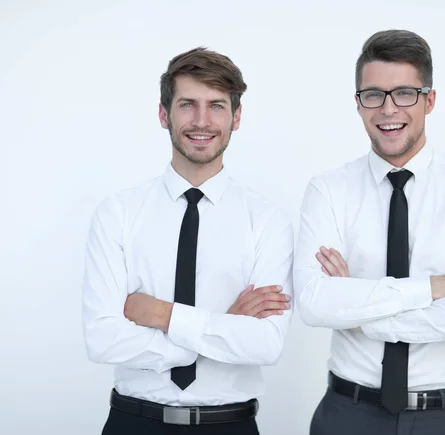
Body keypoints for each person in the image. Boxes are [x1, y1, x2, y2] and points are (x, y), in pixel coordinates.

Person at [294, 29, 445, 435]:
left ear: (429, 100)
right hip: (347, 414)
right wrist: (430, 288)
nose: (388, 109)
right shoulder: (328, 190)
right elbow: (315, 304)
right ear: (358, 104)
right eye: (373, 94)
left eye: (404, 93)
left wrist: (361, 314)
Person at [81, 47, 294, 435]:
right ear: (164, 114)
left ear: (237, 117)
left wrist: (162, 316)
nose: (201, 121)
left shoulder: (267, 221)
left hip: (230, 425)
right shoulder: (118, 213)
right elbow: (103, 340)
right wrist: (223, 328)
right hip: (134, 422)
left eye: (216, 105)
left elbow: (265, 345)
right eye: (187, 105)